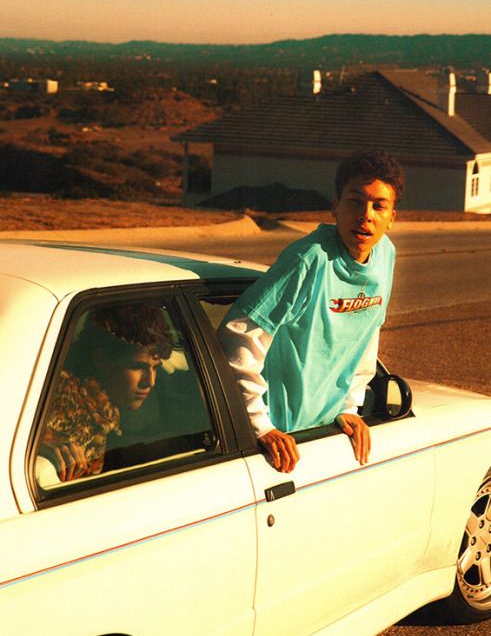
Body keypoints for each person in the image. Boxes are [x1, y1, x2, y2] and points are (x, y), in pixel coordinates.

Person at [219, 150, 404, 473]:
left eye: (379, 206)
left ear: (392, 217)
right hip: (280, 438)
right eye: (355, 201)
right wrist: (260, 424)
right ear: (335, 208)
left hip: (328, 431)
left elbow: (367, 334)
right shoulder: (308, 259)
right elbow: (238, 333)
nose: (366, 215)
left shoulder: (385, 255)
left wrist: (350, 406)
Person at [39, 302, 174, 482]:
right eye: (136, 366)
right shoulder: (66, 417)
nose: (150, 381)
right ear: (101, 360)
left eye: (155, 368)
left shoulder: (103, 412)